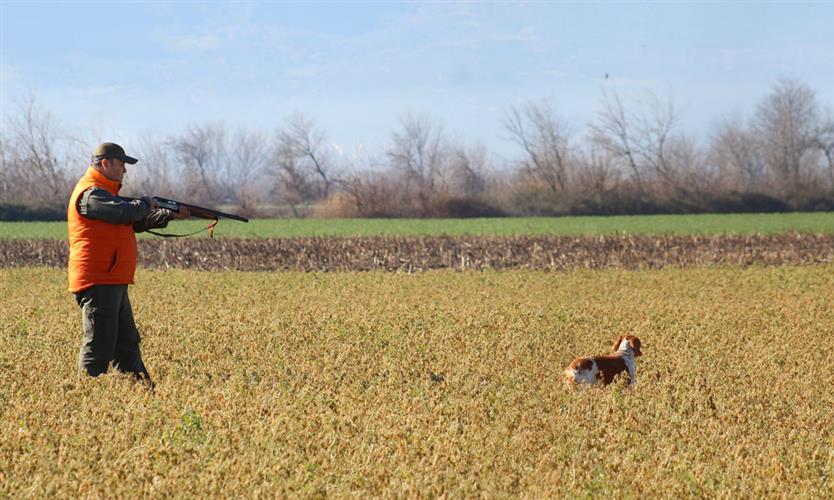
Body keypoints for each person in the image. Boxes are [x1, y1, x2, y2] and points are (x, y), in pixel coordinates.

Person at [67, 142, 190, 388]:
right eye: (122, 164)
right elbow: (126, 213)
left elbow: (133, 222)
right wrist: (146, 203)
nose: (125, 170)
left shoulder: (106, 195)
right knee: (99, 348)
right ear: (105, 164)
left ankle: (145, 399)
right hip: (98, 280)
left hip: (112, 279)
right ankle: (85, 402)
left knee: (127, 345)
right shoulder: (91, 194)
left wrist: (167, 214)